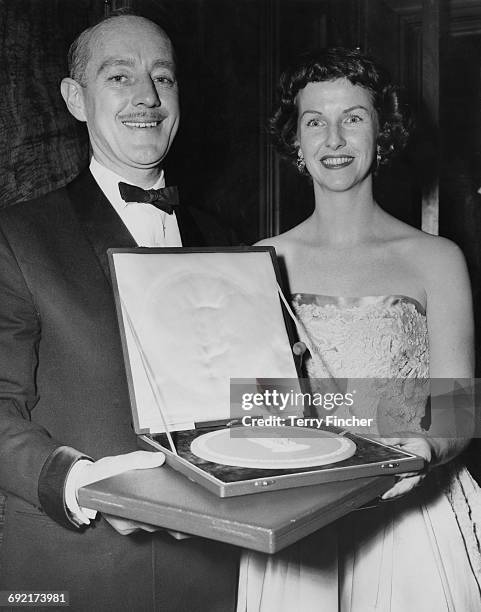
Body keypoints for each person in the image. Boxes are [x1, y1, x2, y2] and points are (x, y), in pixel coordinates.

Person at [0, 12, 239, 612]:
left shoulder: (231, 245)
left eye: (163, 76)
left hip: (217, 577)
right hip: (71, 578)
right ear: (75, 99)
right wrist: (83, 483)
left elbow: (257, 401)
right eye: (119, 77)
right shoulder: (18, 237)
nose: (148, 97)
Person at [237, 48, 481, 611]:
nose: (334, 138)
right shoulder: (257, 261)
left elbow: (456, 404)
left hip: (412, 522)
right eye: (315, 122)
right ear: (296, 142)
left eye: (354, 117)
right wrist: (273, 396)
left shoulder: (437, 259)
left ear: (382, 132)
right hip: (297, 516)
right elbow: (245, 417)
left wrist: (422, 449)